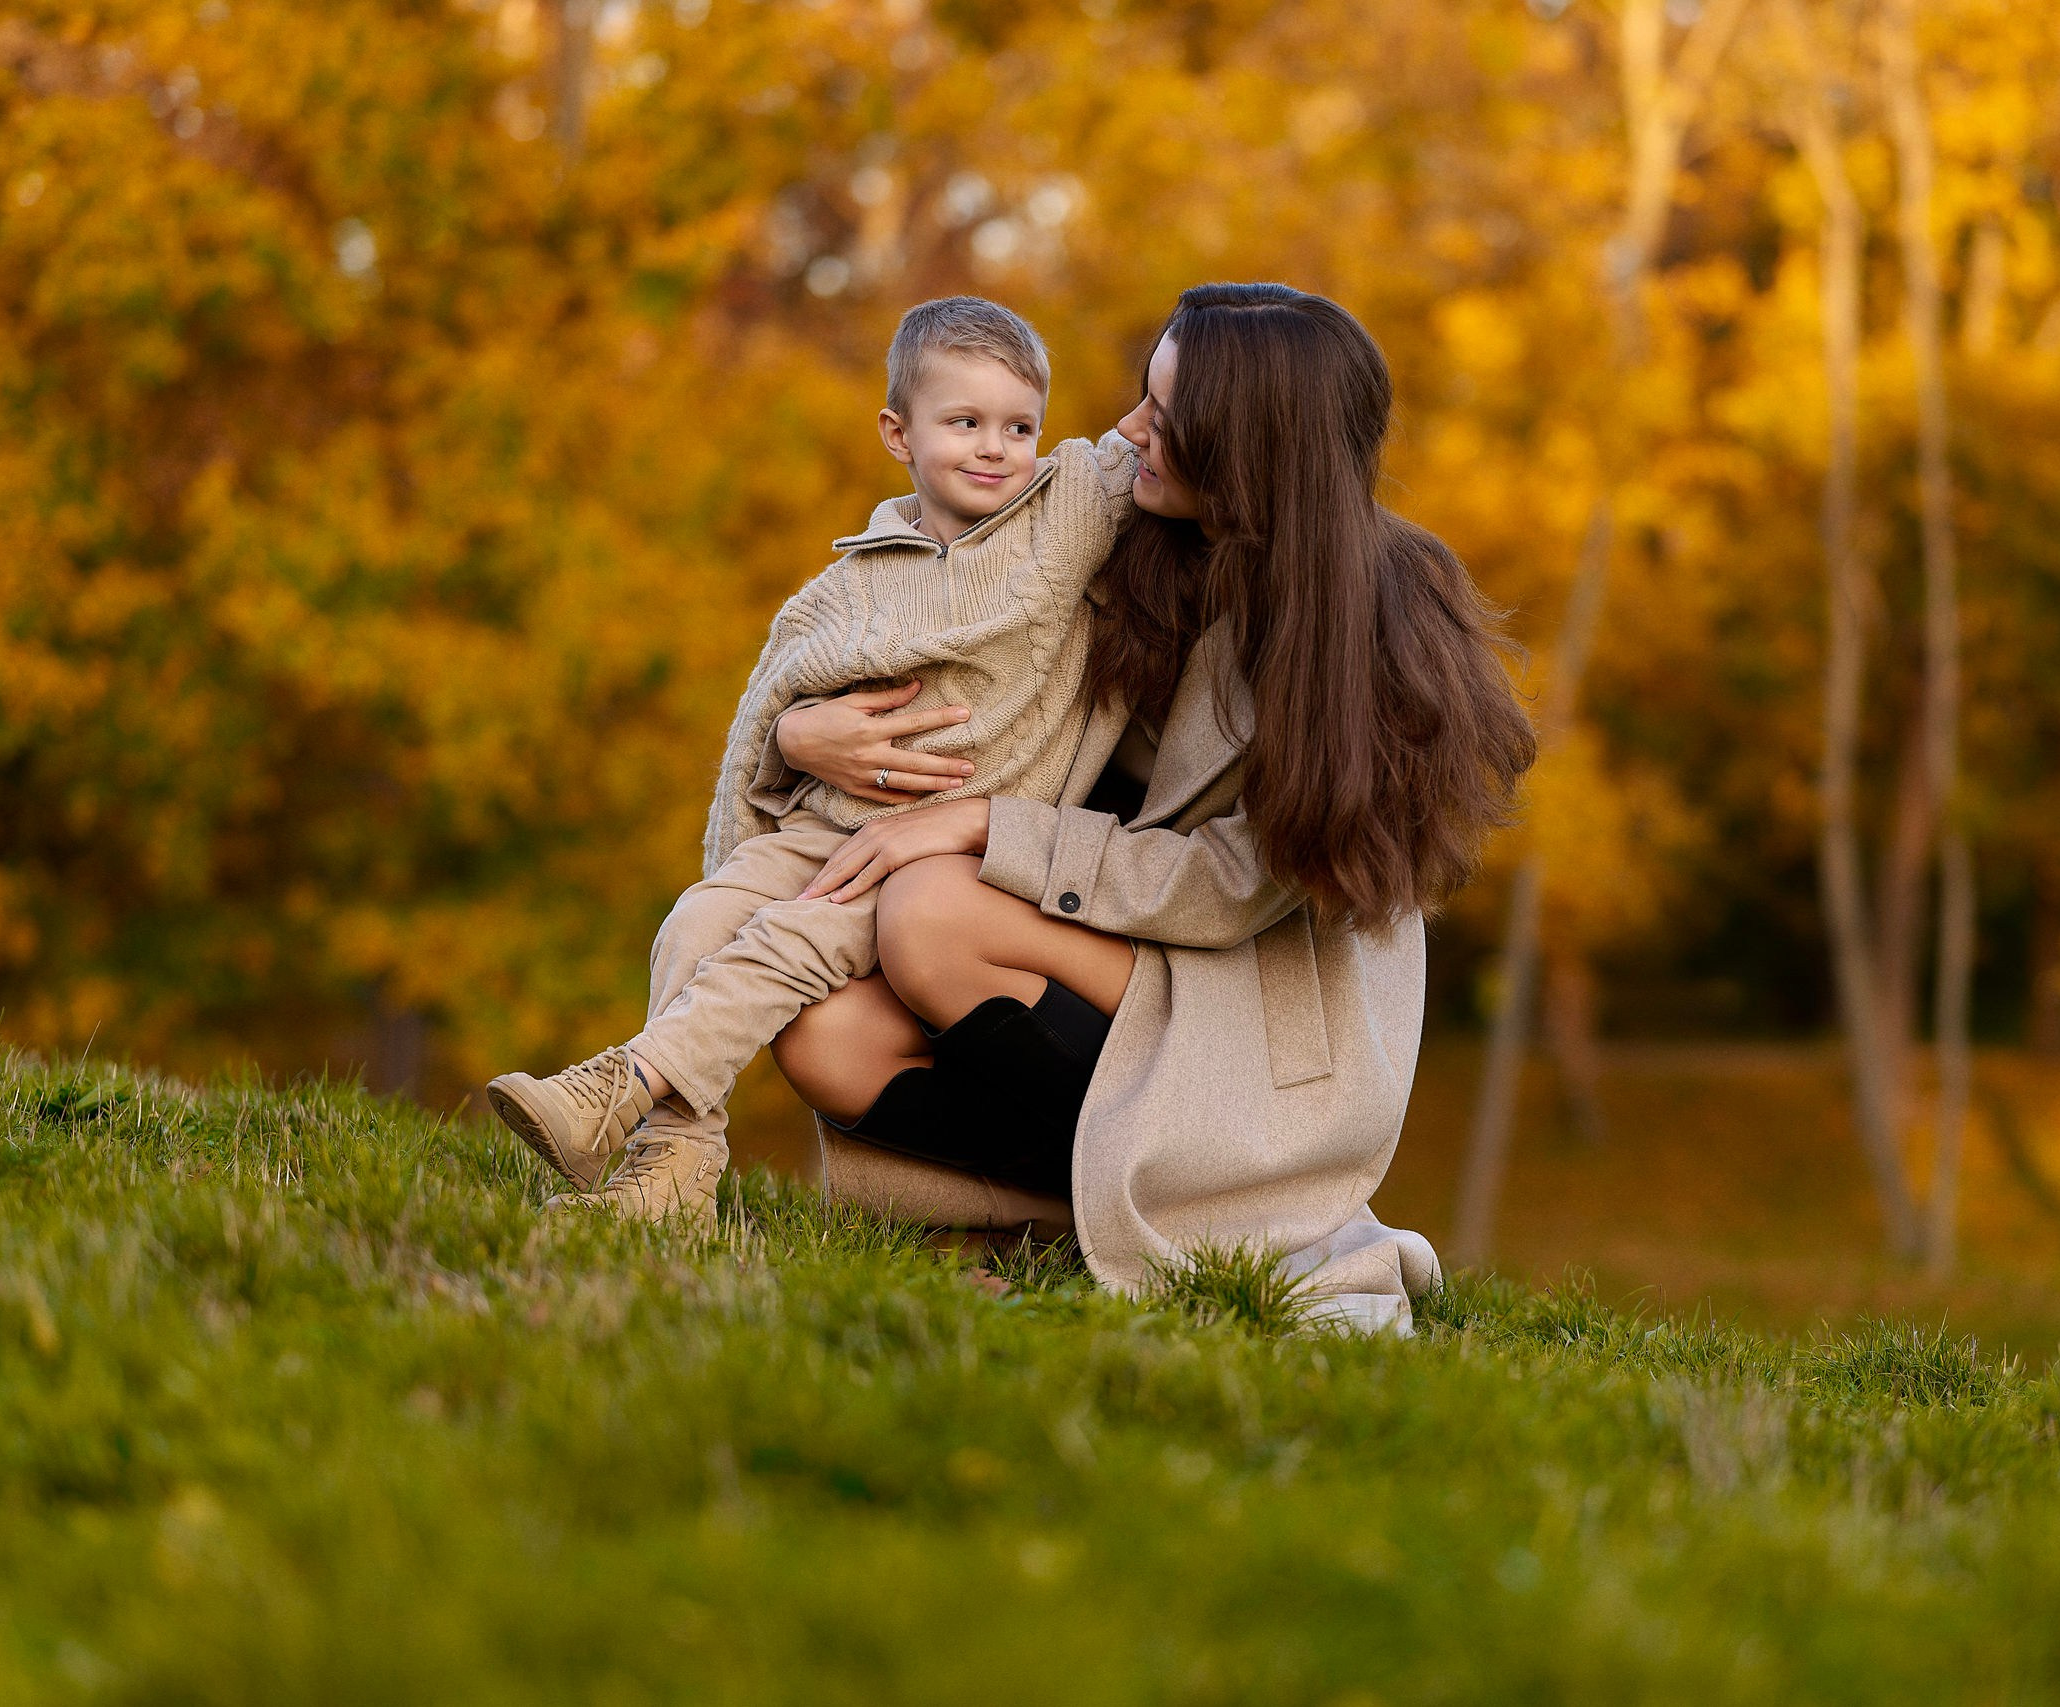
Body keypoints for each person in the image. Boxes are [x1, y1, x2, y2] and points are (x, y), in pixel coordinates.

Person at [764, 282, 1538, 1331]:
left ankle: (1213, 1211)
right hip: (1123, 947)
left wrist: (988, 828)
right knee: (822, 1035)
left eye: (1166, 417)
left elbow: (1230, 887)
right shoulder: (1130, 533)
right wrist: (798, 730)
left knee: (928, 914)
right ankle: (1095, 1227)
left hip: (1251, 1002)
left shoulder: (1373, 621)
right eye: (1145, 395)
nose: (1130, 428)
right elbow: (936, 636)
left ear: (1247, 444)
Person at [483, 296, 1135, 1228]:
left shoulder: (1059, 522)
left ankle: (626, 1081)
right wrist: (795, 733)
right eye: (964, 422)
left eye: (1018, 426)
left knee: (786, 944)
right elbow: (770, 708)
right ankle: (676, 1165)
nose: (995, 447)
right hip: (821, 826)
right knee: (701, 919)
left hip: (939, 860)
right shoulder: (849, 583)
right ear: (896, 434)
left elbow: (1153, 441)